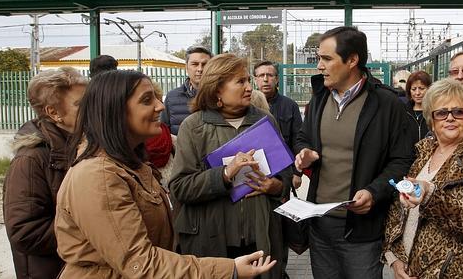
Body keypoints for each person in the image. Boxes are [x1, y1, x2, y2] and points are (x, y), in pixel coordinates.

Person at [54, 70, 275, 279]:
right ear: (115, 111)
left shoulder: (132, 165)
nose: (160, 106)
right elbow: (142, 263)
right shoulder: (98, 176)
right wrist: (229, 269)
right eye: (147, 100)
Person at [294, 26, 414, 279]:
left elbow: (402, 160)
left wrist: (375, 191)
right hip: (319, 224)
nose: (319, 66)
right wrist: (304, 151)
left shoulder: (387, 104)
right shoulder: (319, 98)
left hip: (361, 229)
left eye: (327, 59)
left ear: (352, 60)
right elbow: (303, 137)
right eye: (318, 58)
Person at [169, 54, 290, 279]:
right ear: (217, 90)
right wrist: (224, 174)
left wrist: (274, 186)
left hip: (260, 239)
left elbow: (285, 175)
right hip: (214, 245)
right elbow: (180, 187)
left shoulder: (265, 121)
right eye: (240, 82)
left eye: (247, 80)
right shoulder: (193, 127)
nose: (249, 87)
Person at [382, 78, 463, 278]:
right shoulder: (424, 151)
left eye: (458, 112)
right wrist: (394, 258)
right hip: (410, 269)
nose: (450, 118)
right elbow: (399, 209)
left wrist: (430, 194)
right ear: (431, 119)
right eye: (441, 113)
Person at [2, 67, 87, 279]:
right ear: (53, 113)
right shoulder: (31, 160)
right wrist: (90, 230)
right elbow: (25, 233)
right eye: (81, 104)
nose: (92, 109)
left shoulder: (81, 146)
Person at [253, 60, 304, 191]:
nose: (265, 79)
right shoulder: (247, 105)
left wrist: (297, 173)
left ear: (276, 79)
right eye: (261, 75)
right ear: (255, 79)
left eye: (270, 75)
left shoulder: (290, 105)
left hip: (284, 173)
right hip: (255, 171)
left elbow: (298, 140)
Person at [161, 46, 212, 135]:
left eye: (204, 64)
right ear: (186, 67)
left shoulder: (220, 96)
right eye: (195, 64)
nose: (200, 69)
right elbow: (163, 131)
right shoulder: (172, 98)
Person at [146, 81, 176, 189]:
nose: (161, 107)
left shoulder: (173, 142)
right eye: (147, 101)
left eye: (158, 100)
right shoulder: (111, 161)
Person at [405, 70, 432, 143]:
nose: (417, 93)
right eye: (413, 89)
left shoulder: (435, 112)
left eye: (422, 88)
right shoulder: (403, 112)